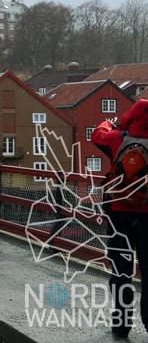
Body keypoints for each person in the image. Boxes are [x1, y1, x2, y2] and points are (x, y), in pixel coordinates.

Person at [92, 99, 148, 337]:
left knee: (121, 271)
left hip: (119, 215)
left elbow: (96, 135)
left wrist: (110, 123)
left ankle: (122, 325)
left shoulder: (118, 139)